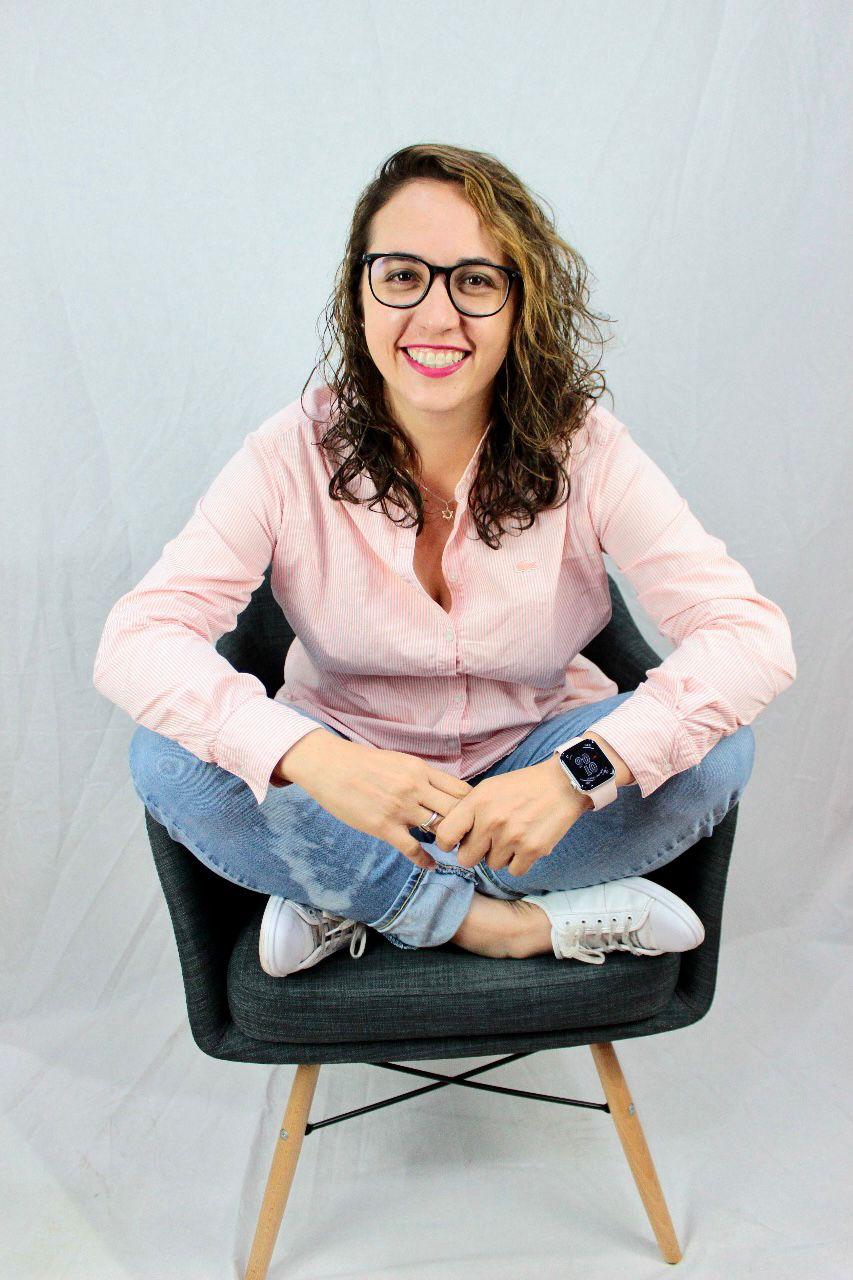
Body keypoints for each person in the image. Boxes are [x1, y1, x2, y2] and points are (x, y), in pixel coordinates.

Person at [93, 143, 796, 977]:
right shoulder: (287, 454)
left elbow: (749, 637)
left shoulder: (587, 450)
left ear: (519, 305)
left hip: (529, 774)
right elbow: (137, 639)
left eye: (474, 281)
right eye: (401, 276)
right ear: (359, 294)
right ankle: (499, 924)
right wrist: (321, 763)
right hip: (348, 780)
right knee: (168, 760)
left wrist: (573, 778)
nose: (435, 317)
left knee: (718, 750)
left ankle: (354, 893)